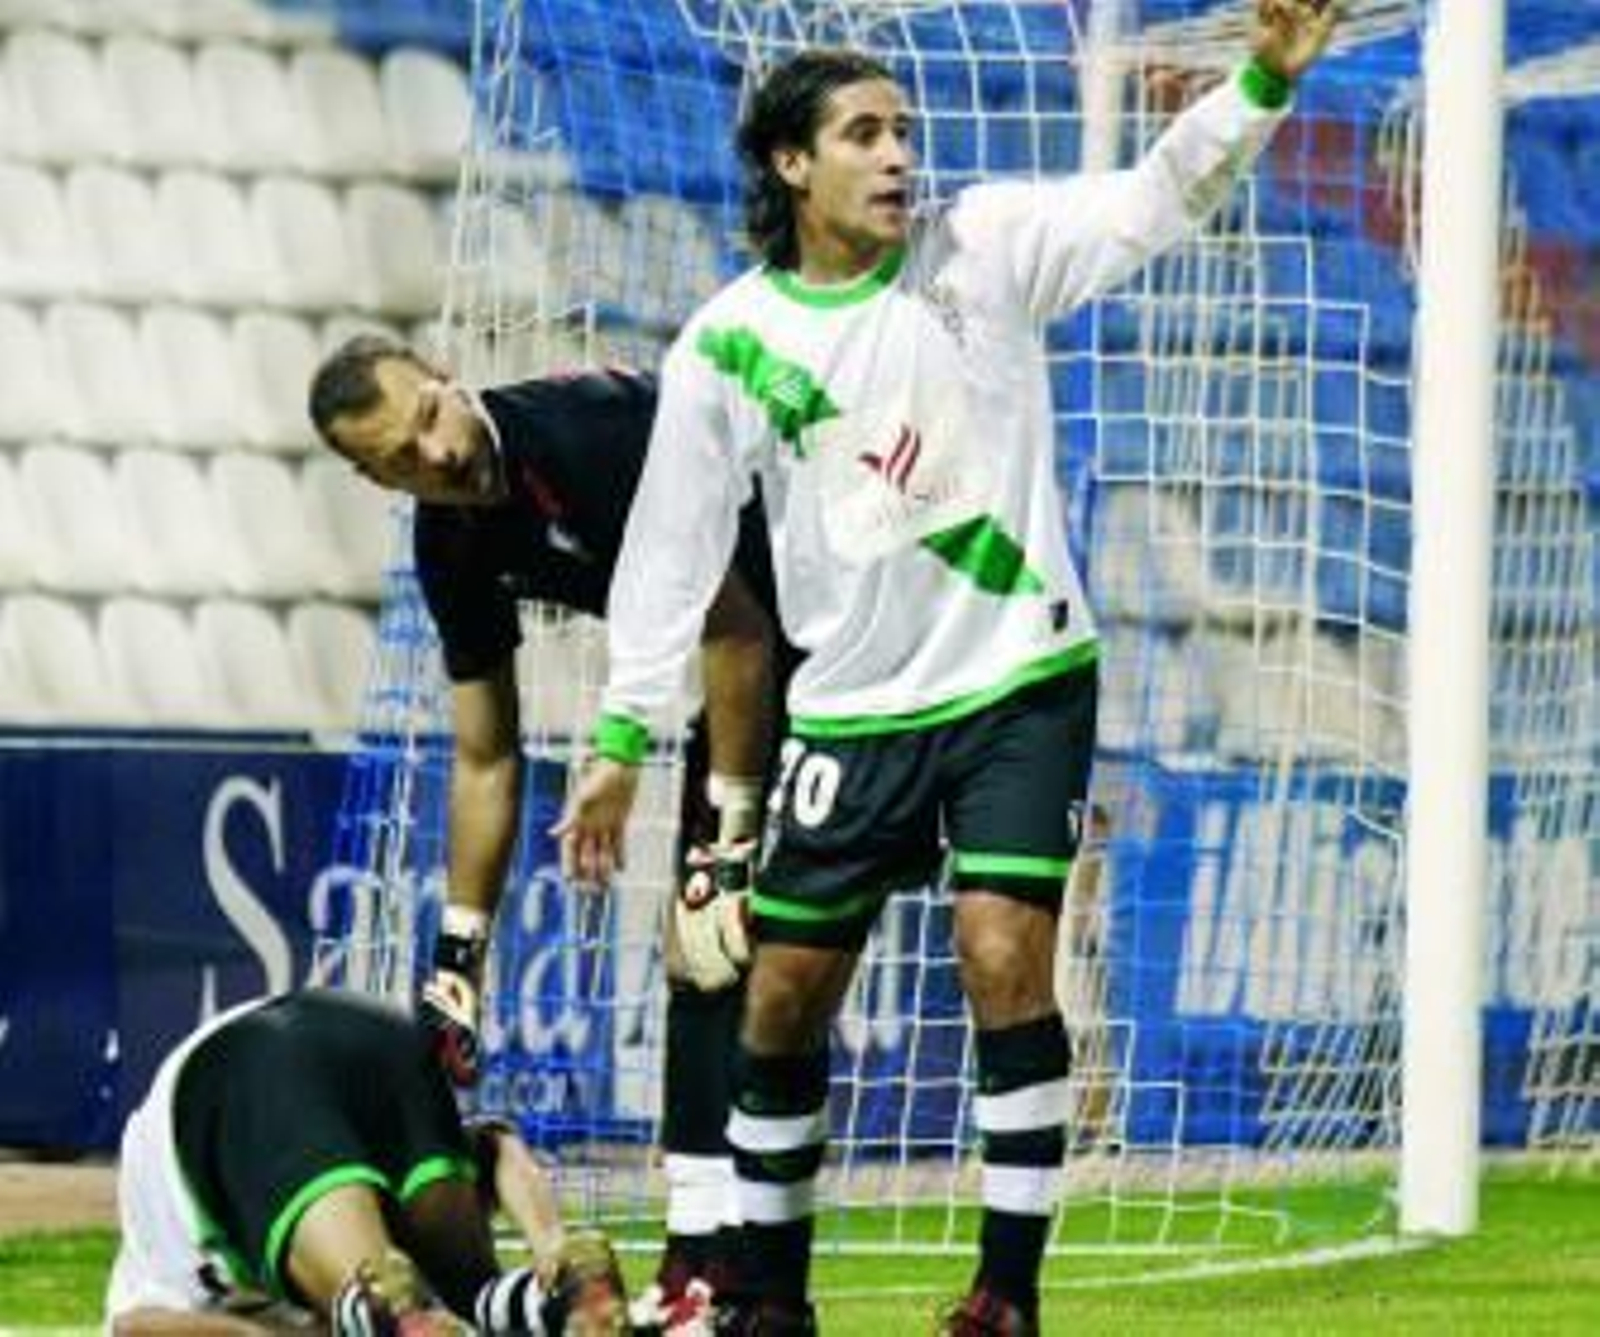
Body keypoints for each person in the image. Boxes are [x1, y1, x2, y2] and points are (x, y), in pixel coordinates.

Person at [557, 3, 1341, 1332]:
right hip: (854, 707)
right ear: (791, 165)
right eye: (863, 133)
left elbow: (1155, 199)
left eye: (903, 131)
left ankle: (1006, 1292)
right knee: (786, 992)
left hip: (1019, 678)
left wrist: (1260, 80)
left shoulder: (980, 249)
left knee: (1000, 955)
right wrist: (624, 740)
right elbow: (672, 551)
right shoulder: (727, 345)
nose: (897, 155)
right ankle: (767, 1297)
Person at [307, 336, 789, 1332]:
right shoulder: (450, 543)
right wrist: (459, 959)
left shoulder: (586, 440)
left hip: (842, 629)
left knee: (755, 948)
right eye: (400, 456)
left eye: (431, 416)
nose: (434, 455)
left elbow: (737, 624)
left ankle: (742, 1274)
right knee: (710, 954)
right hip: (757, 653)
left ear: (446, 374)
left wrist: (725, 835)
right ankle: (709, 1268)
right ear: (371, 477)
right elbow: (486, 755)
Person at [106, 987, 627, 1335]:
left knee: (379, 1301)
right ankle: (559, 1296)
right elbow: (496, 1144)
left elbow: (136, 1324)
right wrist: (550, 1243)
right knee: (469, 1297)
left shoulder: (167, 1239)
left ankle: (389, 1312)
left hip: (248, 1079)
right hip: (378, 1035)